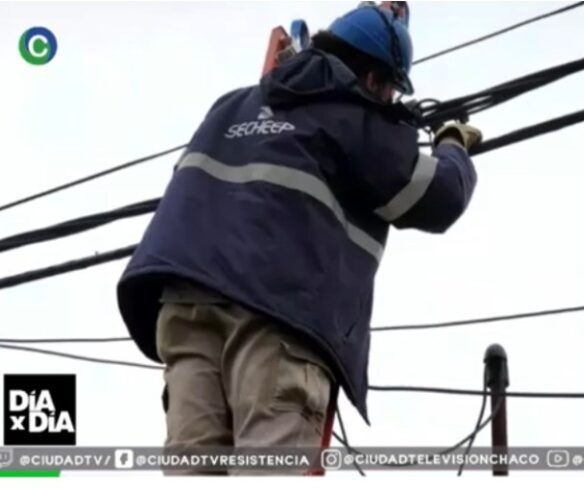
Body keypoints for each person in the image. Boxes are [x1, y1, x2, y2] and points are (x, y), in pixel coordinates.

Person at [115, 3, 482, 475]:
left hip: (183, 306)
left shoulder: (232, 104)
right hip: (279, 313)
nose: (390, 99)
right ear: (373, 80)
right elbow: (438, 197)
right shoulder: (355, 117)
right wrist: (453, 141)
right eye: (390, 89)